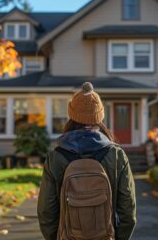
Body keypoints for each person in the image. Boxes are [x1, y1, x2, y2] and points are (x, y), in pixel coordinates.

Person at [37, 82, 136, 240]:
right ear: (100, 117)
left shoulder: (55, 157)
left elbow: (46, 211)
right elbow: (128, 211)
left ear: (72, 116)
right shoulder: (116, 155)